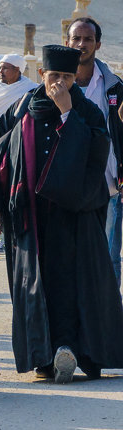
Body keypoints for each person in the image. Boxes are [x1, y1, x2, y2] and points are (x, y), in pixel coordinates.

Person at [0, 45, 123, 383]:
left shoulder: (86, 111)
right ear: (42, 75)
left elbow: (97, 151)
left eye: (67, 77)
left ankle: (72, 349)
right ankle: (43, 359)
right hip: (31, 218)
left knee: (72, 285)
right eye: (54, 76)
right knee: (35, 285)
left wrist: (67, 115)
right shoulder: (21, 109)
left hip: (75, 216)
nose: (59, 83)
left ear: (75, 79)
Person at [66, 18, 123, 283]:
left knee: (108, 255)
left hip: (107, 184)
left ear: (98, 44)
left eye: (88, 39)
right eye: (76, 38)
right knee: (67, 251)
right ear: (67, 42)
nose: (81, 44)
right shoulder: (55, 87)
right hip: (65, 185)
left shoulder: (114, 87)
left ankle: (109, 317)